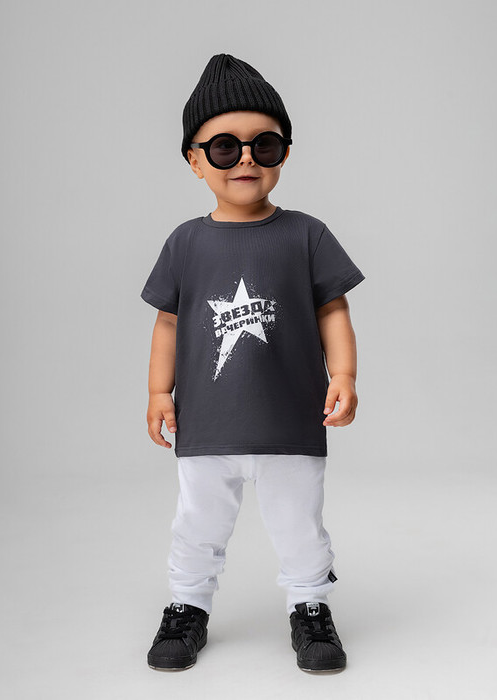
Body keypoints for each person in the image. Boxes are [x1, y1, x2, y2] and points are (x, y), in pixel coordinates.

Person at [140, 53, 365, 673]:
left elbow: (333, 310)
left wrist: (344, 375)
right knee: (197, 525)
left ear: (284, 153)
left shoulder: (306, 234)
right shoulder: (186, 242)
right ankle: (187, 606)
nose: (246, 159)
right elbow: (167, 323)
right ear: (194, 160)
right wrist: (159, 393)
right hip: (206, 425)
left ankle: (310, 607)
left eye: (264, 145)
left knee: (300, 526)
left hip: (291, 422)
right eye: (224, 148)